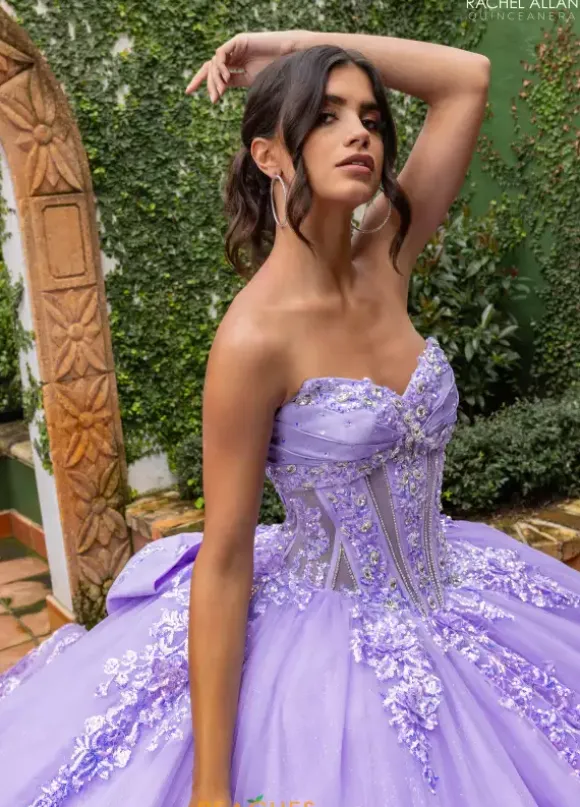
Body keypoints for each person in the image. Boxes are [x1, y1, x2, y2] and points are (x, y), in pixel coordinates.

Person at [1, 27, 580, 807]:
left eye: (370, 118)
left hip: (460, 591)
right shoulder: (254, 337)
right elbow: (224, 559)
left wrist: (298, 47)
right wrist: (211, 789)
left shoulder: (386, 259)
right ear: (269, 154)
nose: (359, 134)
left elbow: (467, 79)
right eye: (327, 115)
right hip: (328, 653)